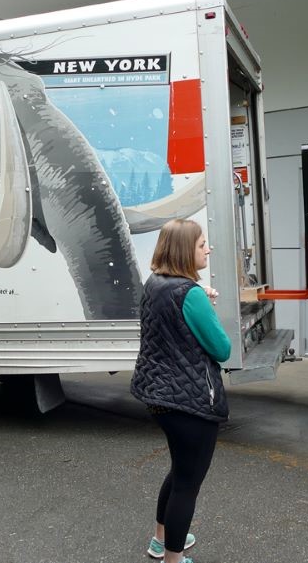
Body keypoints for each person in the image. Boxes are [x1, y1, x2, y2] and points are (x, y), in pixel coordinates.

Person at [128, 219, 233, 563]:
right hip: (190, 402)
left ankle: (161, 540)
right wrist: (204, 303)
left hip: (159, 396)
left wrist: (201, 297)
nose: (208, 248)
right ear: (185, 250)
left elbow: (175, 316)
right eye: (202, 244)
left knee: (179, 471)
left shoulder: (155, 283)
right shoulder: (190, 294)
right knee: (188, 483)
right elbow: (222, 349)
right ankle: (173, 559)